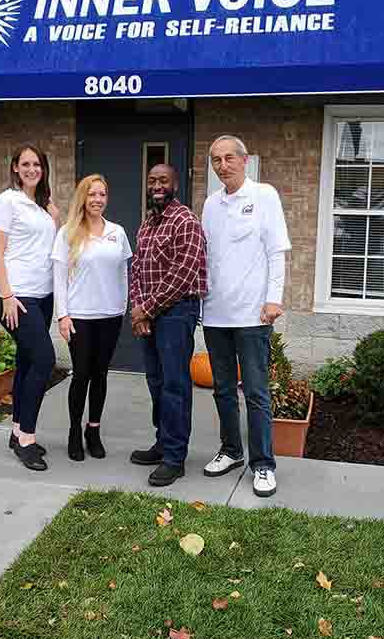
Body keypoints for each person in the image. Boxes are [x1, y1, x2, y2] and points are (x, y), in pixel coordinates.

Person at [201, 134, 291, 497]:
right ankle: (231, 451)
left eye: (228, 158)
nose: (223, 165)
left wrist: (274, 300)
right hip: (216, 315)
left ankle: (264, 464)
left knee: (255, 392)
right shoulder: (209, 205)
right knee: (222, 390)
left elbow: (276, 253)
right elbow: (206, 259)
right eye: (216, 160)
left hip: (254, 316)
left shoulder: (264, 196)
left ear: (244, 160)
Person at [129, 163, 207, 487]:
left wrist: (145, 308)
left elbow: (182, 275)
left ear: (175, 185)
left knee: (175, 384)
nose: (157, 185)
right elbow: (136, 270)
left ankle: (175, 457)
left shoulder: (185, 221)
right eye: (152, 181)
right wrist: (138, 308)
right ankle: (163, 442)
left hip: (176, 313)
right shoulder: (147, 225)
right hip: (150, 313)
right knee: (156, 381)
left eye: (163, 180)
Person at [0, 143, 59, 472]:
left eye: (37, 164)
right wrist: (6, 297)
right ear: (15, 168)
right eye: (25, 164)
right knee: (44, 359)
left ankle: (17, 431)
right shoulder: (6, 201)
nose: (32, 169)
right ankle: (27, 439)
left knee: (29, 360)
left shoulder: (45, 208)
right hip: (16, 297)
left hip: (42, 296)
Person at [52, 174, 132, 461]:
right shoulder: (67, 233)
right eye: (92, 194)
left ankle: (93, 430)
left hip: (109, 316)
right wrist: (63, 316)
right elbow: (59, 278)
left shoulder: (117, 232)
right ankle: (74, 430)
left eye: (102, 194)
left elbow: (123, 274)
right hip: (80, 317)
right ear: (82, 198)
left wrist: (122, 309)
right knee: (82, 374)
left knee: (100, 375)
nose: (98, 199)